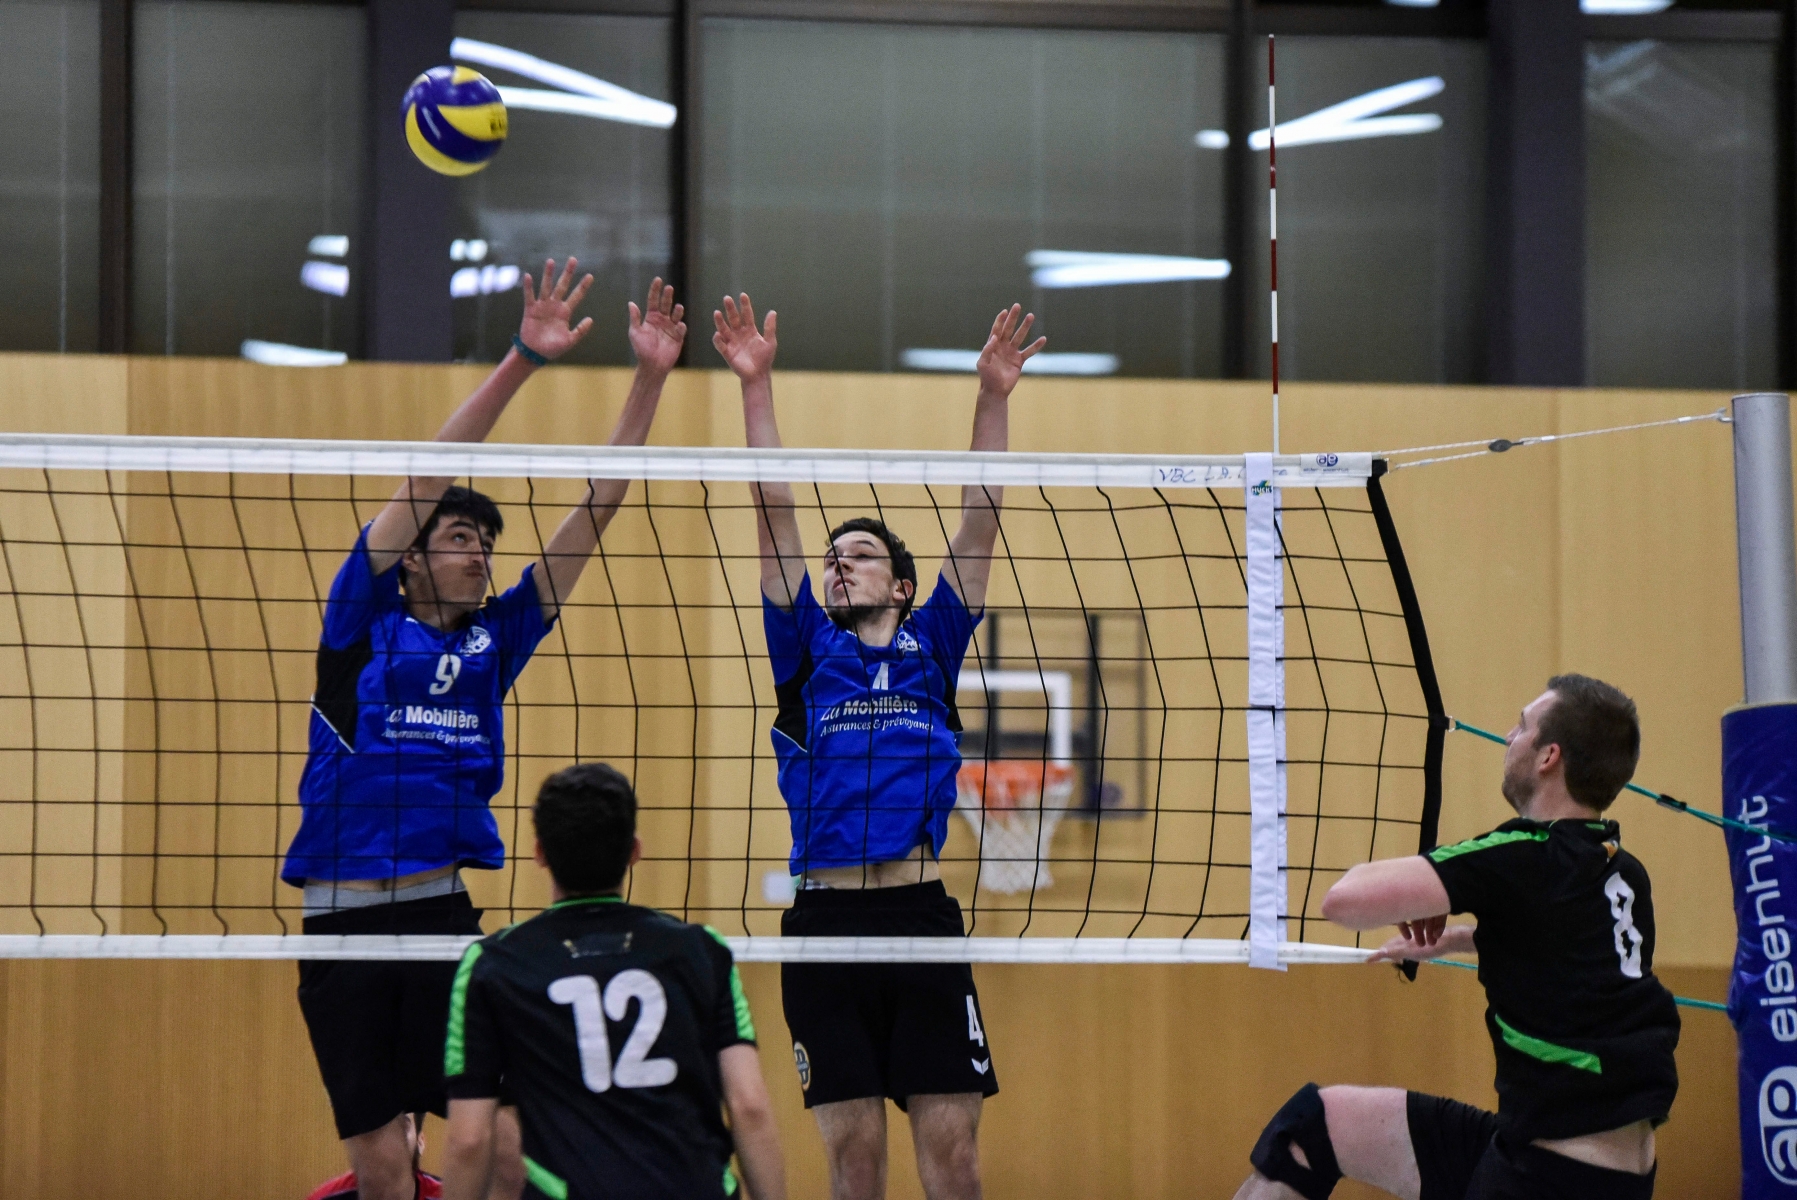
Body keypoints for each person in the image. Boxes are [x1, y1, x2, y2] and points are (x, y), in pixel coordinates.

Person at [283, 265, 688, 1200]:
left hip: (439, 918)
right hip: (340, 927)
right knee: (385, 1171)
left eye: (485, 544)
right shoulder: (360, 625)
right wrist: (522, 360)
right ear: (412, 557)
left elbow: (597, 508)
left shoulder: (495, 641)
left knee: (499, 1151)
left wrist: (649, 379)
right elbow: (425, 477)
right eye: (459, 538)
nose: (478, 554)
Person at [712, 295, 1045, 1200]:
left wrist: (992, 397)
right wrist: (756, 383)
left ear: (900, 583)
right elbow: (772, 509)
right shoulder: (805, 652)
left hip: (920, 916)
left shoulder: (932, 641)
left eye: (857, 554)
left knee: (954, 1158)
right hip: (821, 926)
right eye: (833, 557)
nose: (837, 563)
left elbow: (980, 518)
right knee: (854, 1163)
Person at [1230, 674, 1682, 1200]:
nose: (1508, 737)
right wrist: (1461, 937)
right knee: (1315, 1124)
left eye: (1521, 726)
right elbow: (1566, 957)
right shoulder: (1622, 873)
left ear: (1548, 757)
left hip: (1548, 1180)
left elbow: (1343, 902)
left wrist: (1431, 897)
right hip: (1566, 1160)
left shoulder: (1522, 853)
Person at [439, 762, 787, 1200]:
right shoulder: (702, 950)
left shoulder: (495, 964)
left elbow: (470, 1140)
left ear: (540, 852)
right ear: (634, 851)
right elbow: (749, 1106)